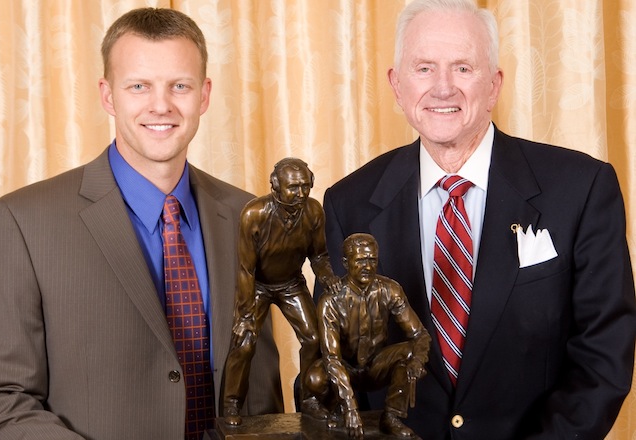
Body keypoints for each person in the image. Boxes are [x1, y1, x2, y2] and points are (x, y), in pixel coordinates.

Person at [317, 0, 636, 439]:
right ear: (396, 85)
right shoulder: (347, 204)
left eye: (463, 68)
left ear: (494, 85)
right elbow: (338, 362)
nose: (443, 88)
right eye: (423, 68)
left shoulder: (581, 188)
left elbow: (603, 354)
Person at [0, 8, 282, 440]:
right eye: (139, 86)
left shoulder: (249, 215)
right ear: (108, 96)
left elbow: (260, 391)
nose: (162, 105)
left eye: (180, 85)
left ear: (205, 95)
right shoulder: (24, 222)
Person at [221, 157, 340, 425]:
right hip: (258, 287)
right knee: (245, 342)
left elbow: (319, 256)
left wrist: (328, 276)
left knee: (314, 339)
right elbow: (245, 270)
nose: (300, 194)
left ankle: (309, 400)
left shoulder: (313, 212)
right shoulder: (254, 214)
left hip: (291, 284)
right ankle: (231, 404)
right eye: (293, 188)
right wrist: (244, 315)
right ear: (275, 186)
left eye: (304, 186)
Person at [305, 233, 430, 439]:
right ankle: (333, 410)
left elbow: (420, 334)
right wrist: (351, 409)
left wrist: (418, 360)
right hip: (346, 368)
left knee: (409, 353)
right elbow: (332, 358)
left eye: (372, 260)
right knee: (315, 378)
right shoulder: (330, 300)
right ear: (346, 263)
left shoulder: (390, 290)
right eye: (361, 260)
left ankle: (392, 417)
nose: (368, 266)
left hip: (376, 366)